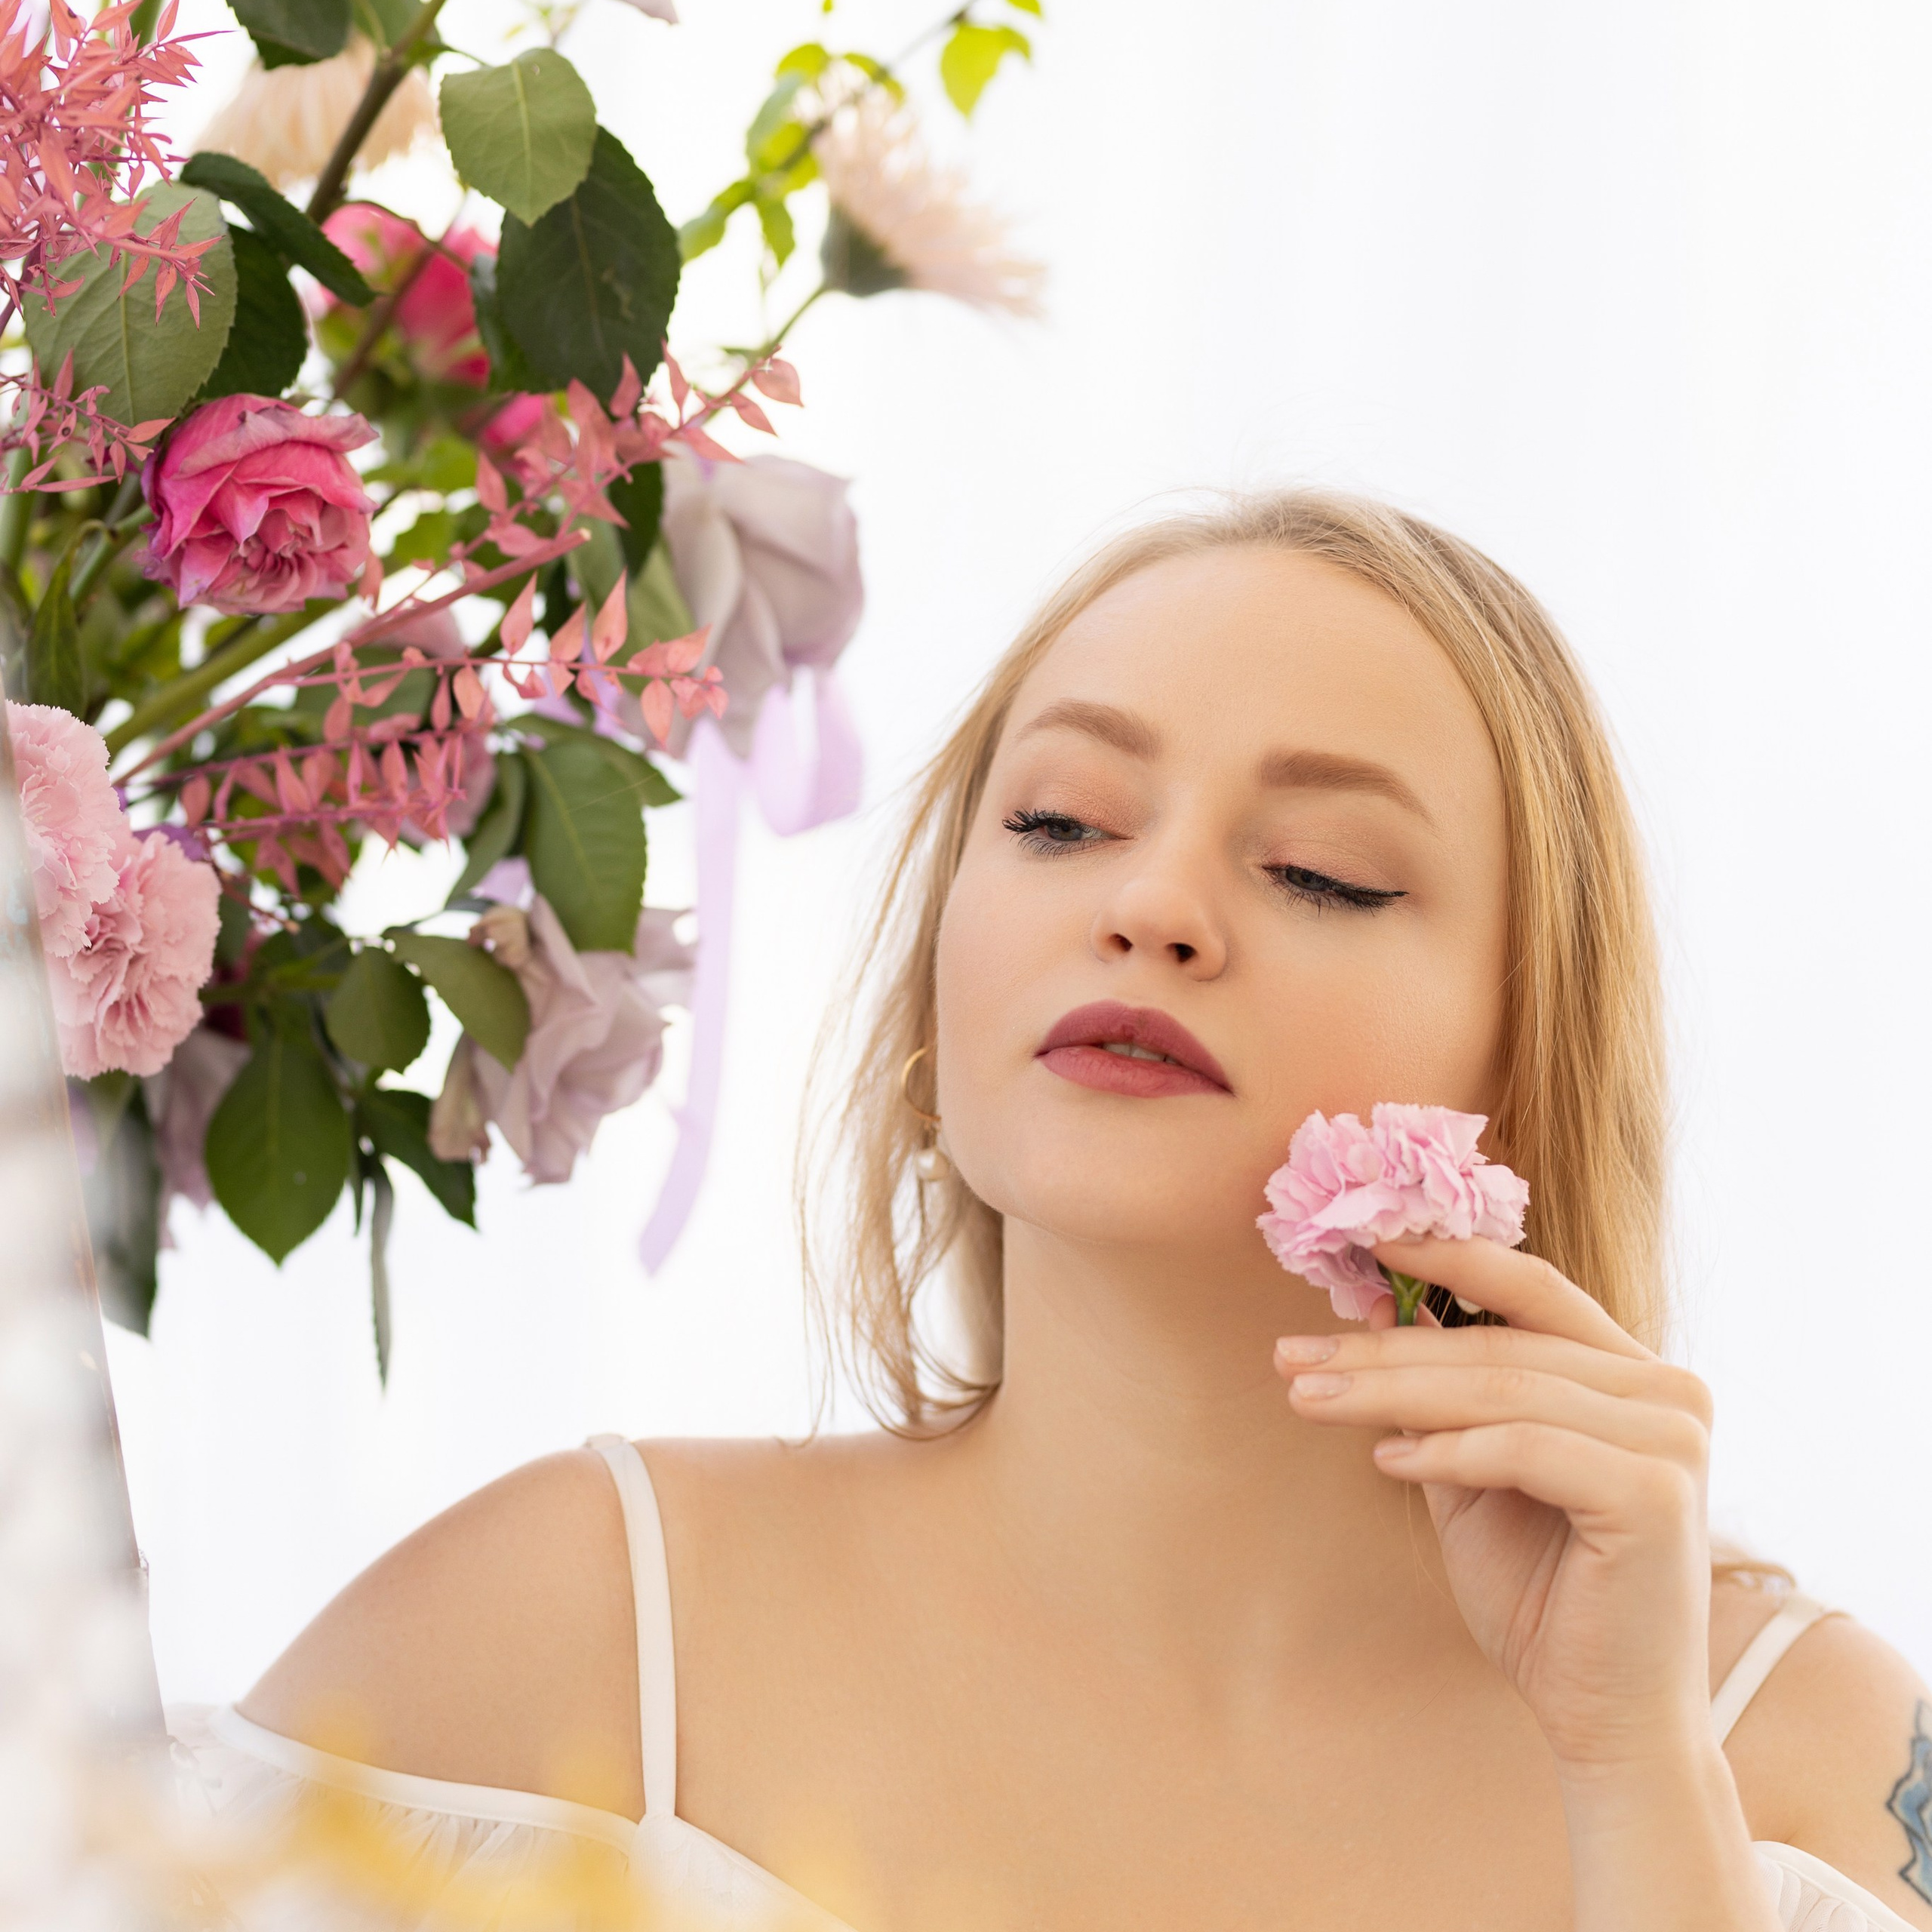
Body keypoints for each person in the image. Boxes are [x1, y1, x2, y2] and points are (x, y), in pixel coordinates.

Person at [176, 493, 1932, 1931]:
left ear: (1525, 1058)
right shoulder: (557, 1626)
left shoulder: (1819, 1757)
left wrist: (1636, 1782)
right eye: (1062, 819)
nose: (1154, 903)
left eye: (1320, 867)